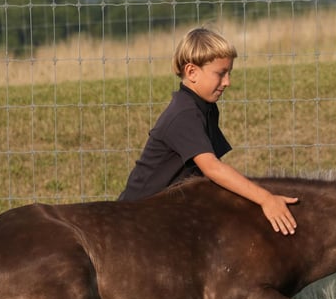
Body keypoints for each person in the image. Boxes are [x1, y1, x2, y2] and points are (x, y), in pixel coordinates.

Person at [118, 26, 298, 235]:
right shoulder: (183, 114)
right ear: (192, 72)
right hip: (136, 220)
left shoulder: (205, 108)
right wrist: (266, 199)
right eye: (220, 74)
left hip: (167, 213)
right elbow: (212, 169)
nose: (227, 82)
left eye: (229, 73)